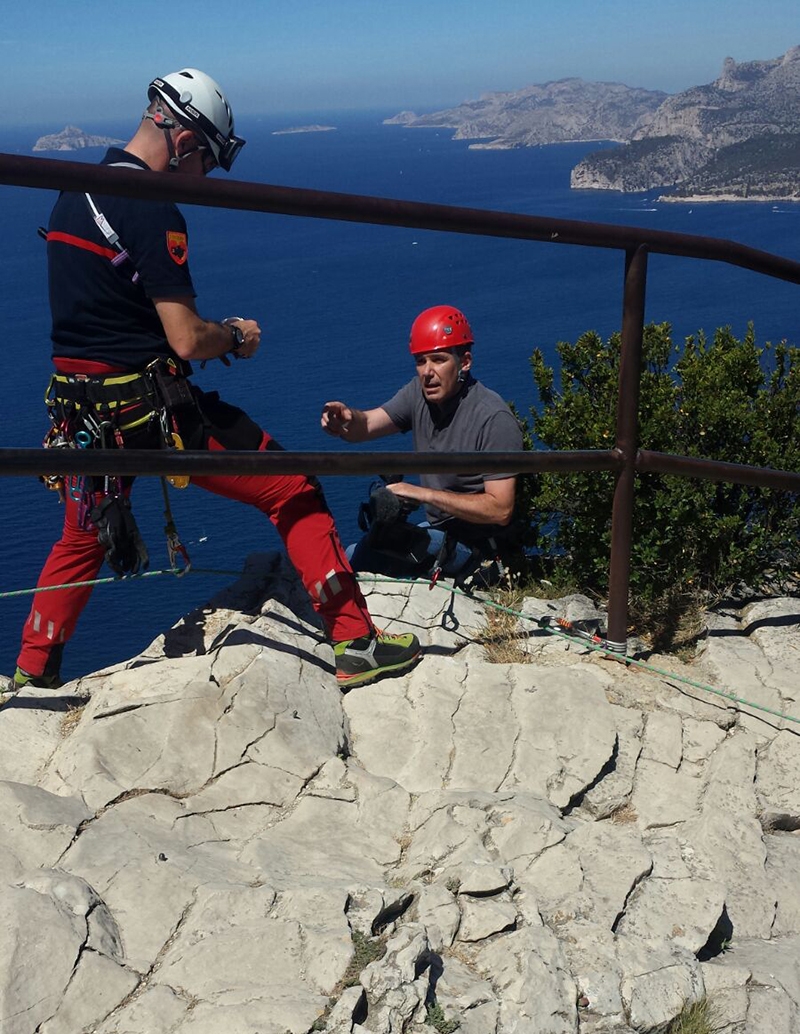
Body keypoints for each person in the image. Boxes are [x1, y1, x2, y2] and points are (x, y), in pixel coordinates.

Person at [6, 68, 420, 696]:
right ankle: (357, 643)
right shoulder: (151, 207)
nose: (206, 178)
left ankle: (32, 672)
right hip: (150, 410)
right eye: (209, 162)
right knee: (292, 485)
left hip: (83, 414)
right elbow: (185, 340)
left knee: (82, 533)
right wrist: (235, 335)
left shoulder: (72, 192)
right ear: (185, 140)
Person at [321, 304, 524, 584]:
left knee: (361, 559)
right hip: (440, 531)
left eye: (438, 360)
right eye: (420, 361)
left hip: (480, 545)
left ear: (464, 362)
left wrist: (421, 494)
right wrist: (345, 420)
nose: (427, 372)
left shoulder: (492, 418)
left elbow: (500, 510)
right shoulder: (419, 395)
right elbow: (367, 425)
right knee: (357, 553)